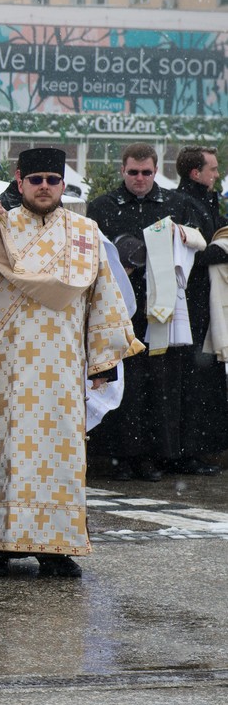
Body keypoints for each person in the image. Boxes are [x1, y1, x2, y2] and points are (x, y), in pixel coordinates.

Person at [0, 148, 141, 579]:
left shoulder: (86, 231)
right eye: (36, 180)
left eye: (52, 179)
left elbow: (105, 295)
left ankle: (56, 546)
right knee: (5, 451)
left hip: (63, 363)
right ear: (19, 181)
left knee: (61, 453)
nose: (45, 186)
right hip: (10, 360)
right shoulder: (0, 225)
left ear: (63, 184)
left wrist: (103, 359)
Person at [86, 143, 208, 481]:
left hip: (162, 308)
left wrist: (179, 234)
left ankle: (154, 456)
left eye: (147, 173)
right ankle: (119, 457)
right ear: (122, 171)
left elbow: (202, 241)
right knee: (123, 384)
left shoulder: (177, 204)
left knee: (160, 385)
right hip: (118, 307)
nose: (140, 179)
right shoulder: (101, 207)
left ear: (156, 171)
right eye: (133, 172)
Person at [172, 145, 227, 474]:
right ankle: (188, 452)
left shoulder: (206, 200)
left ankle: (199, 449)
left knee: (202, 382)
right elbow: (192, 255)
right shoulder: (184, 204)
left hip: (203, 306)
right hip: (191, 307)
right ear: (196, 173)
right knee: (192, 382)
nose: (217, 175)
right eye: (213, 169)